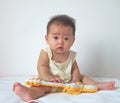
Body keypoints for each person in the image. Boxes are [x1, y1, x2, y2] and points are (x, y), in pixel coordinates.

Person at [13, 14, 115, 102]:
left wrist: (75, 78)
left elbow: (75, 69)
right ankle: (29, 93)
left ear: (72, 41)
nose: (61, 42)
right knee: (41, 88)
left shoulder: (71, 55)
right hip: (49, 82)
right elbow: (42, 66)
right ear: (47, 39)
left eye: (66, 38)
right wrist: (48, 78)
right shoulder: (46, 52)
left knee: (83, 76)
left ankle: (97, 84)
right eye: (56, 37)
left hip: (67, 82)